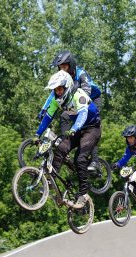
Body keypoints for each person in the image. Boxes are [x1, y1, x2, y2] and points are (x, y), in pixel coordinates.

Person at [35, 70, 101, 209]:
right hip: (77, 129)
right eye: (55, 90)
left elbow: (83, 114)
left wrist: (75, 128)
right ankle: (50, 180)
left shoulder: (79, 95)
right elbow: (48, 117)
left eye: (59, 89)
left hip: (92, 129)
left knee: (80, 159)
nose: (57, 92)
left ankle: (84, 194)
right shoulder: (56, 100)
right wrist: (37, 134)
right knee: (60, 148)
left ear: (67, 86)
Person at [38, 50, 102, 172]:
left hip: (92, 99)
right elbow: (53, 96)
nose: (62, 70)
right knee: (64, 115)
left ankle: (95, 161)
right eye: (60, 68)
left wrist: (78, 106)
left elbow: (86, 92)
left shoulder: (81, 74)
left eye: (65, 67)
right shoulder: (62, 80)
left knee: (88, 125)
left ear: (71, 64)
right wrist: (44, 109)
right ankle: (65, 141)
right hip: (77, 101)